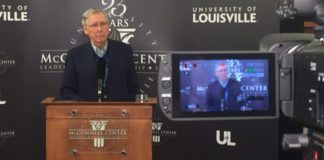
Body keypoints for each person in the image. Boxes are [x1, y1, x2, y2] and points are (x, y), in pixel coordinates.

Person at [60, 8, 140, 101]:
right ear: (86, 30)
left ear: (108, 27)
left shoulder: (124, 51)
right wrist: (85, 107)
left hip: (119, 113)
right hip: (87, 113)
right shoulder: (75, 55)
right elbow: (67, 91)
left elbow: (134, 89)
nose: (99, 29)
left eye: (103, 24)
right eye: (94, 25)